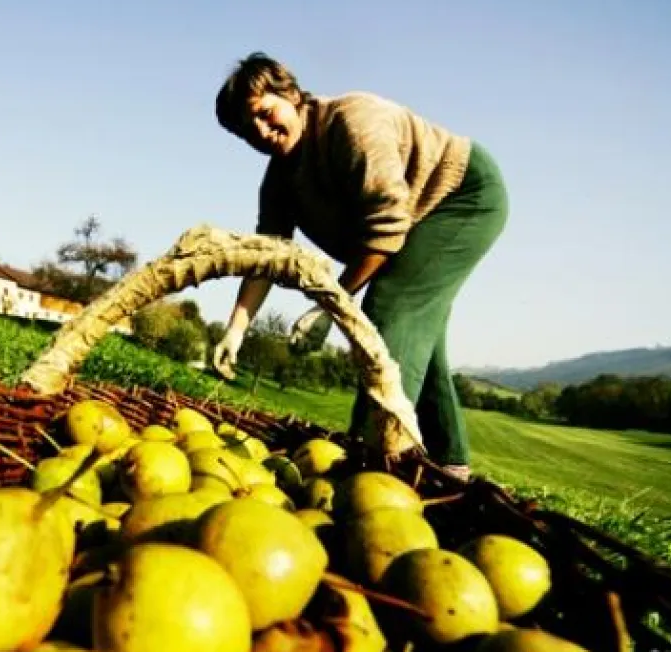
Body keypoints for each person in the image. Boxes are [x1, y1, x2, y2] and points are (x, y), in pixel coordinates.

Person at [210, 52, 508, 482]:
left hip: (460, 195)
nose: (260, 131)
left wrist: (330, 303)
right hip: (412, 220)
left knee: (389, 307)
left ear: (291, 95)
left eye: (264, 113)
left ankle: (371, 464)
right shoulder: (279, 179)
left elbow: (387, 225)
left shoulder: (351, 123)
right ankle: (452, 464)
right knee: (420, 332)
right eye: (246, 129)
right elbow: (267, 255)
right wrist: (236, 328)